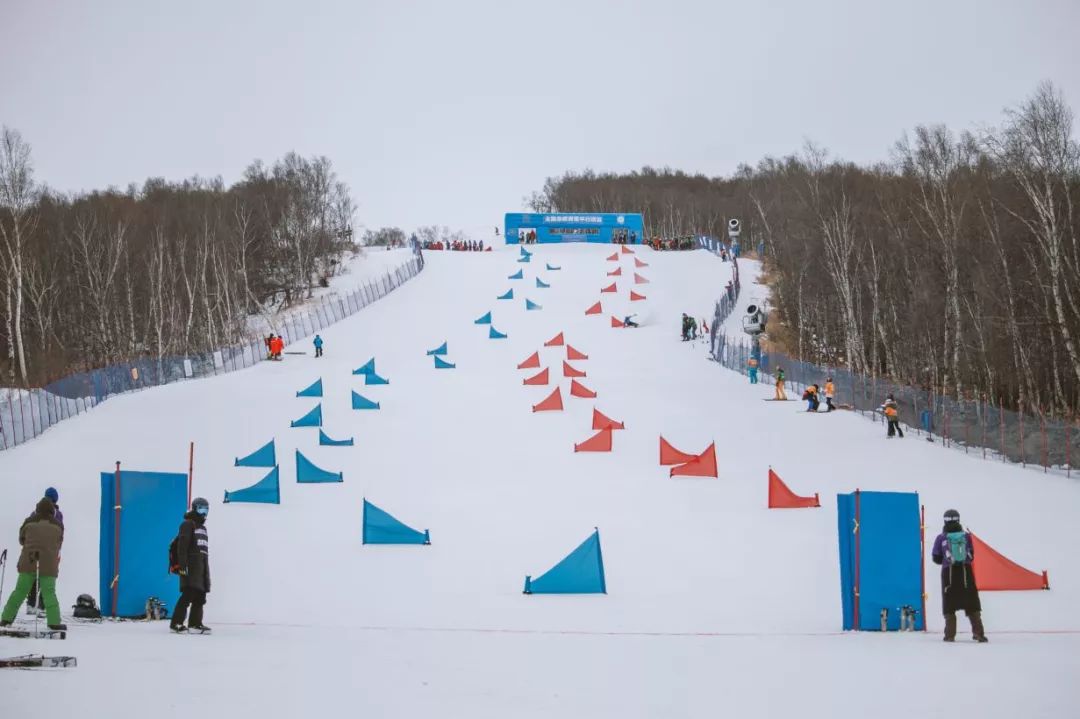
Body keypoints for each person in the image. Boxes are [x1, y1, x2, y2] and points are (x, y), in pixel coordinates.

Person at [0, 497, 66, 631]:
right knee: (49, 593)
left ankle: (6, 618)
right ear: (52, 511)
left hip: (29, 562)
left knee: (20, 591)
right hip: (49, 565)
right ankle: (54, 622)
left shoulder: (28, 522)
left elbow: (21, 539)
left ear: (37, 509)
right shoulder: (58, 525)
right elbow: (59, 543)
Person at [931, 509, 987, 643]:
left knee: (949, 604)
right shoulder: (966, 537)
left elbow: (936, 558)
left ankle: (950, 635)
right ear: (958, 520)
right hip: (965, 572)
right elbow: (972, 556)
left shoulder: (941, 538)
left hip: (948, 573)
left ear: (945, 521)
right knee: (972, 603)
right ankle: (979, 634)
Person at [170, 497, 211, 634]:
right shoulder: (187, 524)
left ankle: (195, 624)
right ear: (194, 508)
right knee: (188, 595)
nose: (204, 512)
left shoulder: (203, 528)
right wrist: (182, 566)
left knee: (200, 597)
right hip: (190, 567)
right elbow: (182, 547)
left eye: (206, 509)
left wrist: (205, 572)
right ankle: (176, 623)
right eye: (201, 508)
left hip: (201, 569)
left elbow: (203, 552)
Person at [26, 488, 64, 616]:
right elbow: (60, 533)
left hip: (33, 550)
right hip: (49, 551)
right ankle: (40, 606)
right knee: (46, 577)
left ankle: (31, 605)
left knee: (33, 575)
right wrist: (58, 550)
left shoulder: (34, 513)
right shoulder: (57, 514)